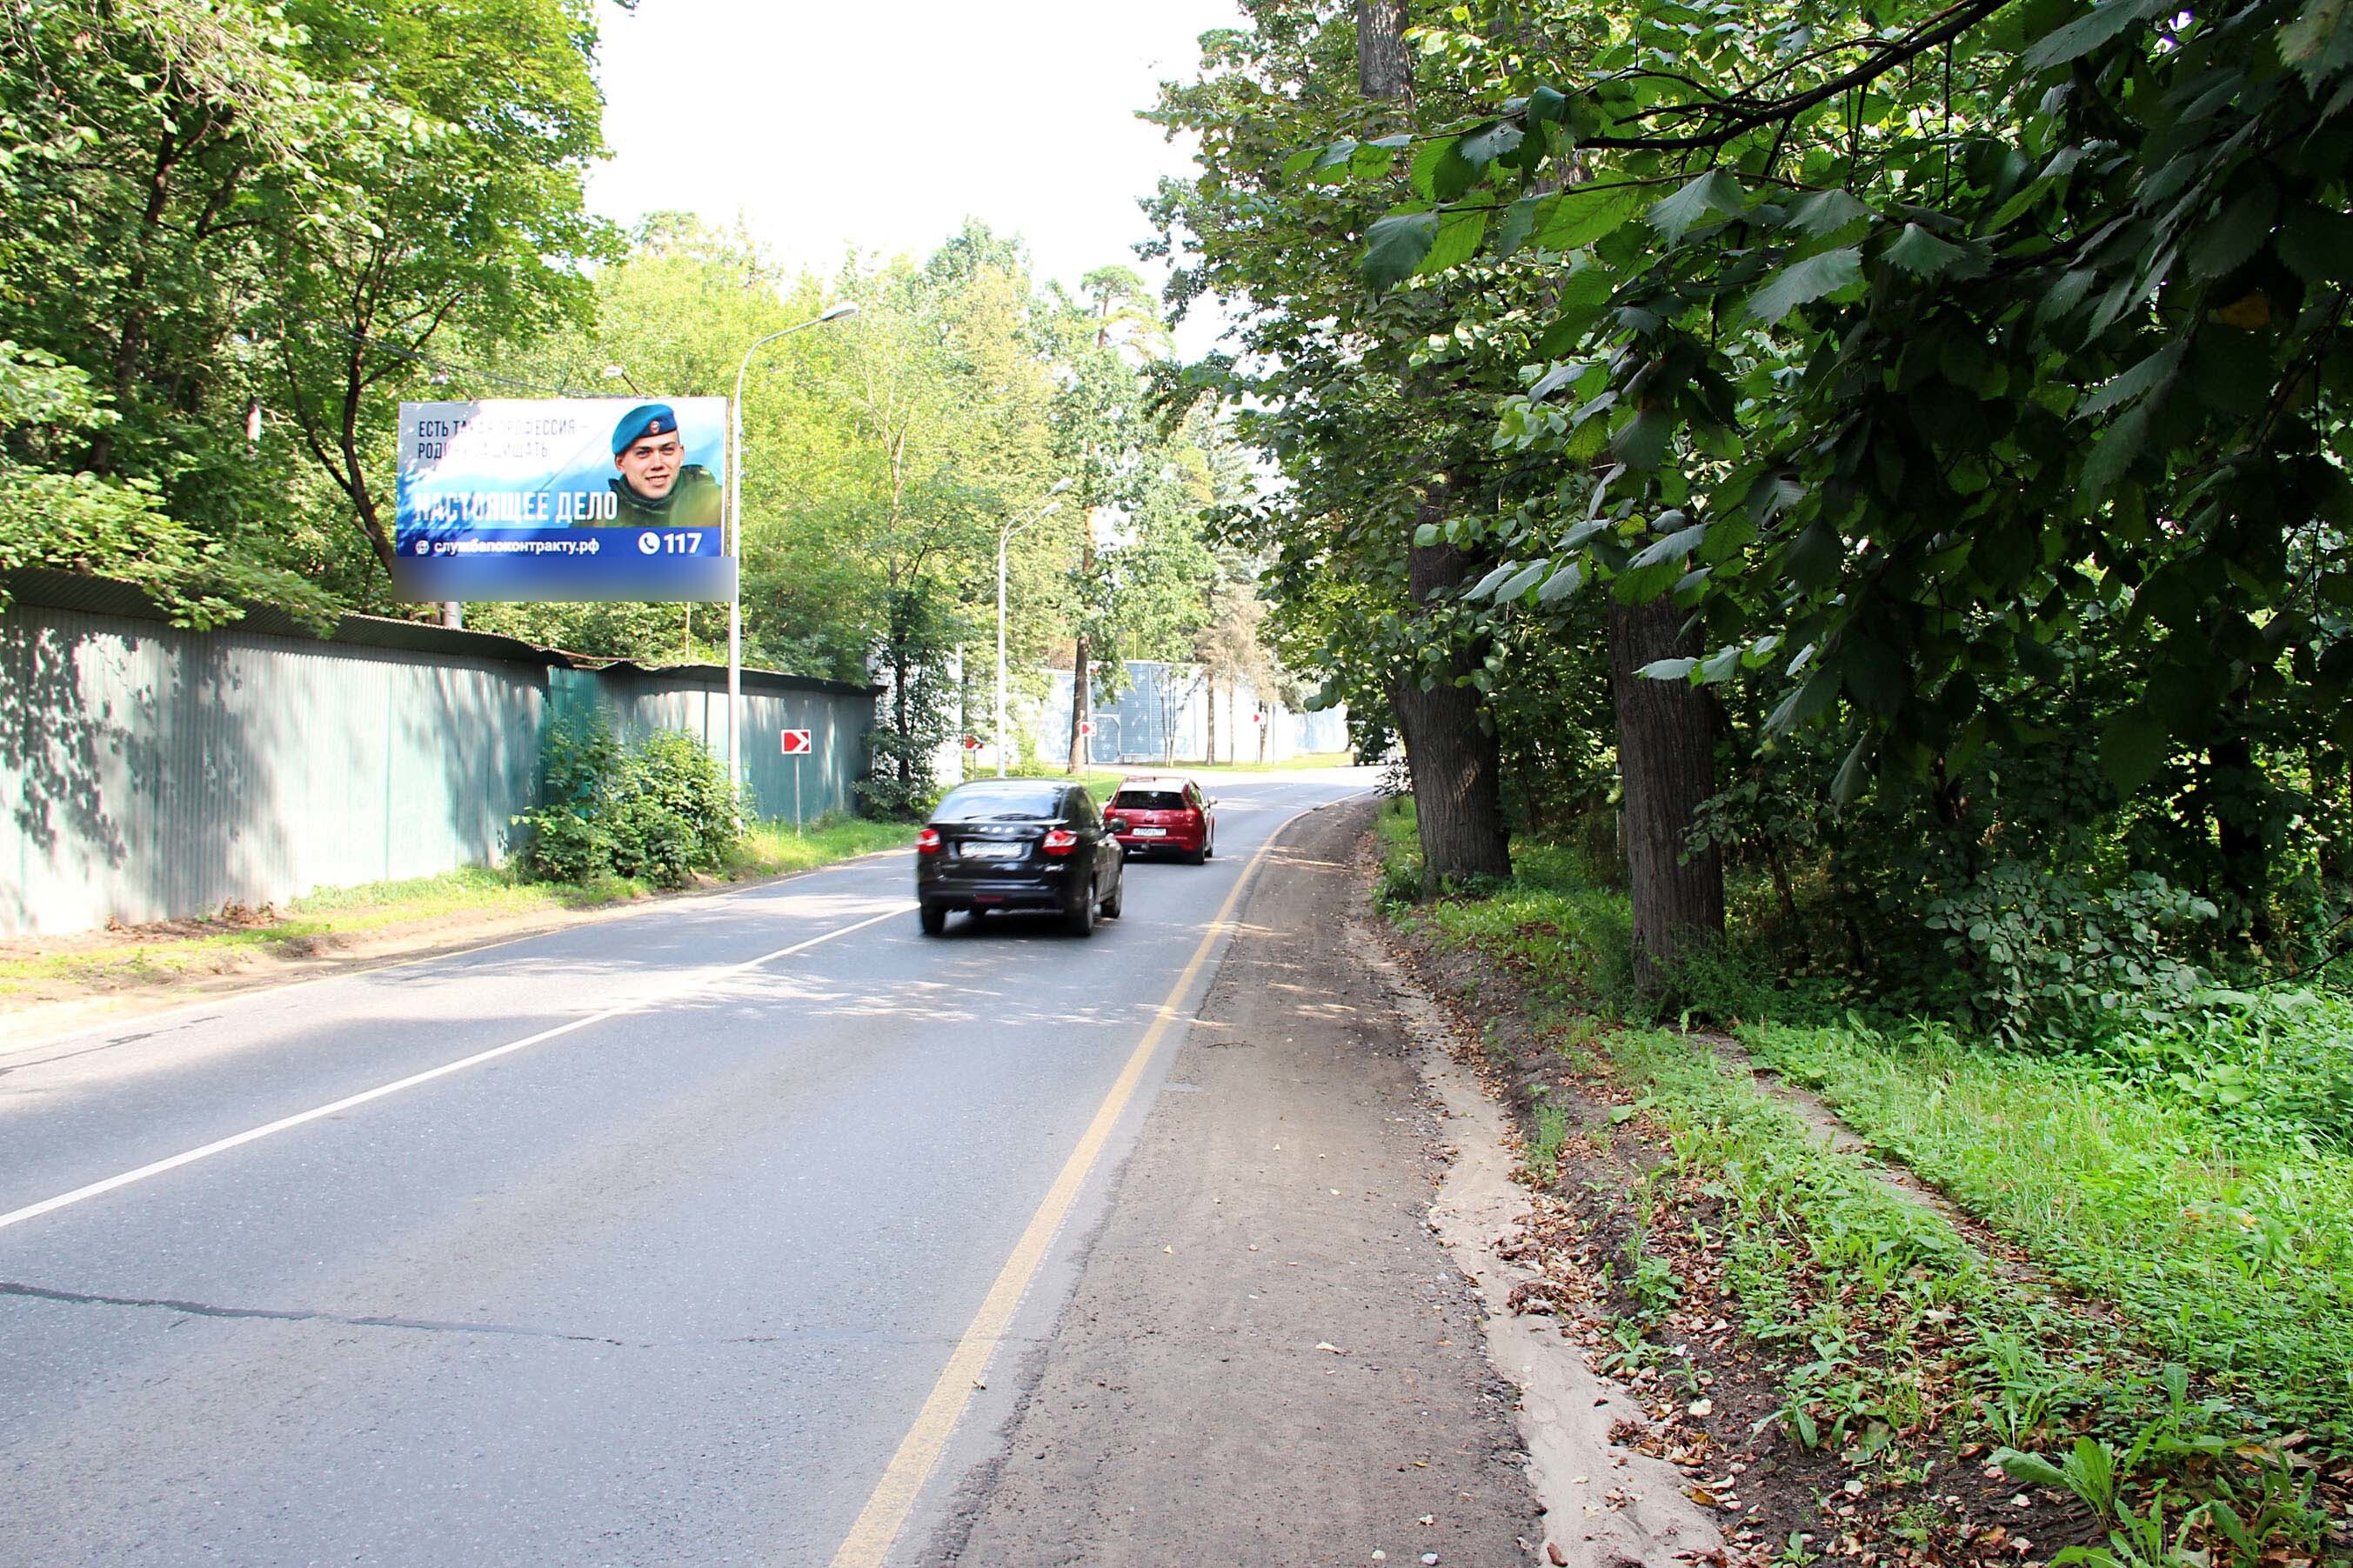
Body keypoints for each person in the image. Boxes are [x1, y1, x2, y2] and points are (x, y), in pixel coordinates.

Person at [605, 403, 722, 527]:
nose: (657, 464)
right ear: (620, 463)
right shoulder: (599, 517)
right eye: (643, 453)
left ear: (681, 454)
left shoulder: (717, 505)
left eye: (667, 450)